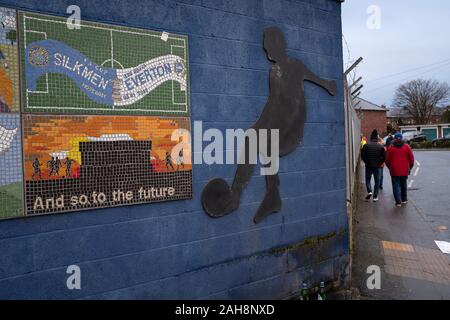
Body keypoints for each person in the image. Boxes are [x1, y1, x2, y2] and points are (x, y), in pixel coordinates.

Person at [201, 26, 336, 223]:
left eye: (268, 48)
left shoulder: (277, 71)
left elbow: (273, 104)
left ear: (276, 45)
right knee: (261, 138)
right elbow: (315, 80)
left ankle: (237, 196)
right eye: (265, 49)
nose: (266, 52)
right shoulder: (293, 65)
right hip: (288, 127)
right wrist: (328, 85)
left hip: (289, 129)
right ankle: (272, 194)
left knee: (255, 138)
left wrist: (256, 129)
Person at [385, 132, 415, 207]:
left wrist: (390, 168)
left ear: (394, 139)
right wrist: (409, 167)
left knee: (396, 185)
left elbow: (387, 160)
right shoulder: (407, 147)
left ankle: (398, 202)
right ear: (402, 138)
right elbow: (411, 159)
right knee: (403, 184)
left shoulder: (391, 147)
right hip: (404, 170)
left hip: (394, 170)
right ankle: (404, 199)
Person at [361, 129, 386, 202]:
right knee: (377, 181)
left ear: (371, 137)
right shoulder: (380, 147)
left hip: (368, 165)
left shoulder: (366, 146)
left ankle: (369, 191)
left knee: (368, 180)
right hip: (377, 167)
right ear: (376, 138)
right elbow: (384, 157)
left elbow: (362, 155)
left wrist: (366, 161)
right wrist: (379, 163)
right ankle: (375, 196)